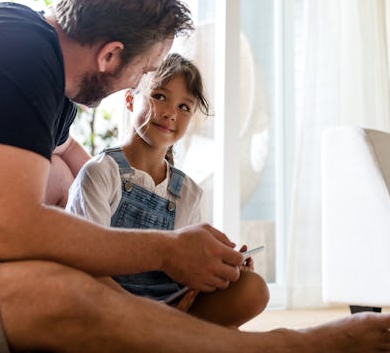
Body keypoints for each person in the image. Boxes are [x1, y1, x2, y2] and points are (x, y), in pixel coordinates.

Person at [0, 0, 390, 353]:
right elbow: (8, 230)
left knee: (80, 276)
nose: (137, 84)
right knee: (61, 291)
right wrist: (167, 250)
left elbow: (31, 212)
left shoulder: (43, 82)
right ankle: (284, 349)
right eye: (146, 71)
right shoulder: (14, 51)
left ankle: (136, 340)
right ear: (110, 55)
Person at [66, 52, 269, 327]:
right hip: (108, 305)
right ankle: (168, 340)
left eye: (185, 107)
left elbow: (186, 275)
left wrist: (222, 271)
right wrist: (143, 314)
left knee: (252, 288)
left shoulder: (187, 191)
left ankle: (166, 340)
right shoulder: (101, 172)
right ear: (129, 99)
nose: (170, 113)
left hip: (170, 309)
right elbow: (85, 266)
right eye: (159, 96)